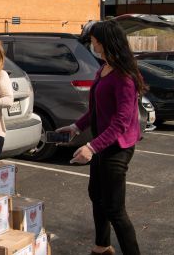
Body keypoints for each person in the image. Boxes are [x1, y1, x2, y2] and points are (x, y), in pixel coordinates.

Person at [57, 20, 143, 255]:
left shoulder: (124, 77)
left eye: (94, 40)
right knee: (96, 195)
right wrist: (76, 126)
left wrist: (92, 148)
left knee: (115, 209)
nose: (92, 44)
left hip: (117, 148)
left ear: (105, 42)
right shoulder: (104, 68)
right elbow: (96, 109)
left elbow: (121, 121)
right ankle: (102, 246)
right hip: (102, 144)